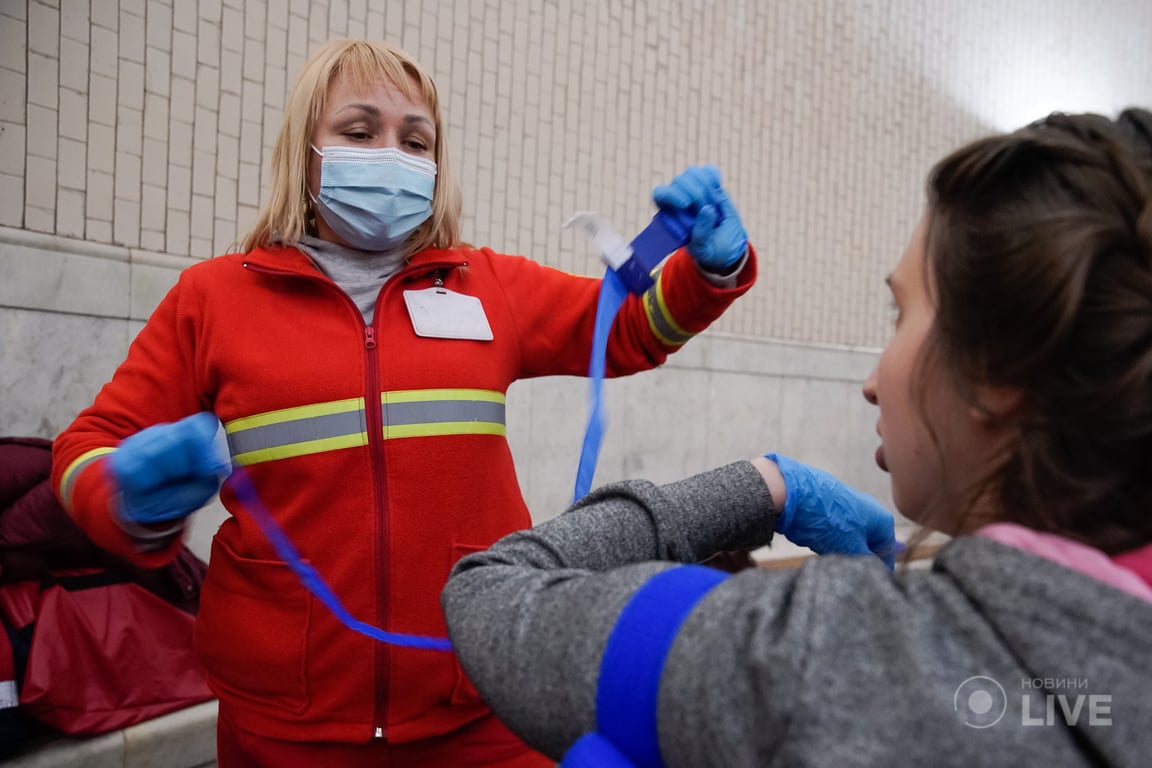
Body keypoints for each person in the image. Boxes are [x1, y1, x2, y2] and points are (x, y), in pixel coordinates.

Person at [49, 39, 759, 767]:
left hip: (481, 704)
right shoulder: (213, 300)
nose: (391, 153)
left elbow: (633, 329)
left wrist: (712, 267)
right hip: (286, 725)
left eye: (414, 140)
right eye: (359, 132)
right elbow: (87, 447)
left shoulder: (486, 285)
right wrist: (122, 496)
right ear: (307, 151)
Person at [442, 108, 1152, 767]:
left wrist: (762, 487)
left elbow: (491, 597)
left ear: (1001, 367)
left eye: (899, 314)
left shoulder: (812, 654)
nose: (873, 380)